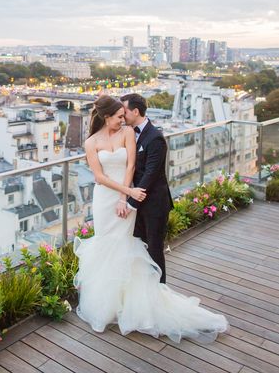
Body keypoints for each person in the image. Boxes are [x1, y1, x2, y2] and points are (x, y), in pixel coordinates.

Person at [74, 95, 228, 342]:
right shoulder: (91, 141)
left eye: (124, 115)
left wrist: (125, 199)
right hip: (106, 200)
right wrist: (127, 193)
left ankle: (141, 298)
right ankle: (109, 304)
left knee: (128, 246)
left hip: (126, 198)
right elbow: (99, 177)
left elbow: (131, 166)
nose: (123, 119)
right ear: (106, 117)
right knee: (106, 246)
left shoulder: (128, 133)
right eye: (119, 116)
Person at [120, 92, 173, 283]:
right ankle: (145, 287)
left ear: (135, 111)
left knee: (155, 249)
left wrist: (131, 202)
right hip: (138, 202)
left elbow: (150, 174)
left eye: (124, 111)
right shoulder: (128, 133)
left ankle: (160, 290)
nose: (122, 115)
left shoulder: (155, 137)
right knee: (140, 247)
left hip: (154, 204)